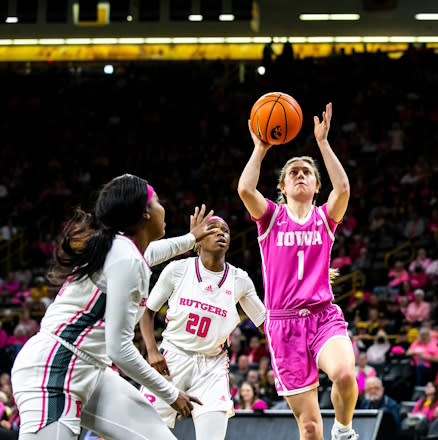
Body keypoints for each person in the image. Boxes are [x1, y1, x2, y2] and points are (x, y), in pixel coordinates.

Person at [11, 175, 217, 440]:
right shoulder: (125, 258)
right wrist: (170, 393)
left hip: (89, 370)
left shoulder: (125, 249)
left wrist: (191, 239)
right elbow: (119, 350)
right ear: (144, 213)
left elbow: (153, 253)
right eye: (156, 201)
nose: (162, 206)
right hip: (54, 373)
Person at [238, 103, 358, 440]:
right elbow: (245, 190)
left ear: (317, 186)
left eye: (307, 172)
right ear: (283, 187)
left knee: (345, 374)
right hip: (284, 324)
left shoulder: (324, 218)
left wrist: (322, 143)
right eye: (294, 172)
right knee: (308, 427)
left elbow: (344, 189)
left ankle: (345, 430)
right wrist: (260, 149)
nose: (301, 175)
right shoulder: (271, 218)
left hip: (322, 315)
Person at [139, 215, 266, 440]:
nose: (220, 233)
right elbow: (147, 312)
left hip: (211, 366)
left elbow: (266, 324)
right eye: (212, 229)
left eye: (225, 230)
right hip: (171, 359)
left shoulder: (240, 280)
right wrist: (151, 350)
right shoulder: (177, 269)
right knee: (140, 433)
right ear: (197, 241)